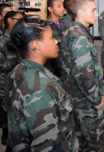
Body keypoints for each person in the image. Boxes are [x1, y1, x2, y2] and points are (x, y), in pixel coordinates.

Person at [4, 18, 79, 151]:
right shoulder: (39, 90)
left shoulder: (18, 72)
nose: (57, 41)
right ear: (36, 46)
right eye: (51, 38)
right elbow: (48, 145)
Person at [60, 0, 104, 151]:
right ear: (80, 12)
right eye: (93, 10)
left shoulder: (70, 31)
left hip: (74, 98)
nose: (97, 14)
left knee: (81, 140)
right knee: (97, 143)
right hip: (86, 102)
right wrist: (96, 99)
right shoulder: (79, 37)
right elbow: (85, 75)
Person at [0, 11, 23, 147]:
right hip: (5, 82)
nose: (21, 22)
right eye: (18, 19)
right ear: (9, 20)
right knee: (7, 111)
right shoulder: (3, 41)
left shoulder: (19, 39)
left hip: (19, 83)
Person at [46, 0, 65, 77]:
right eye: (58, 6)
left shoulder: (64, 24)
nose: (62, 8)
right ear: (50, 9)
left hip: (65, 64)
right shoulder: (45, 26)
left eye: (62, 6)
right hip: (53, 66)